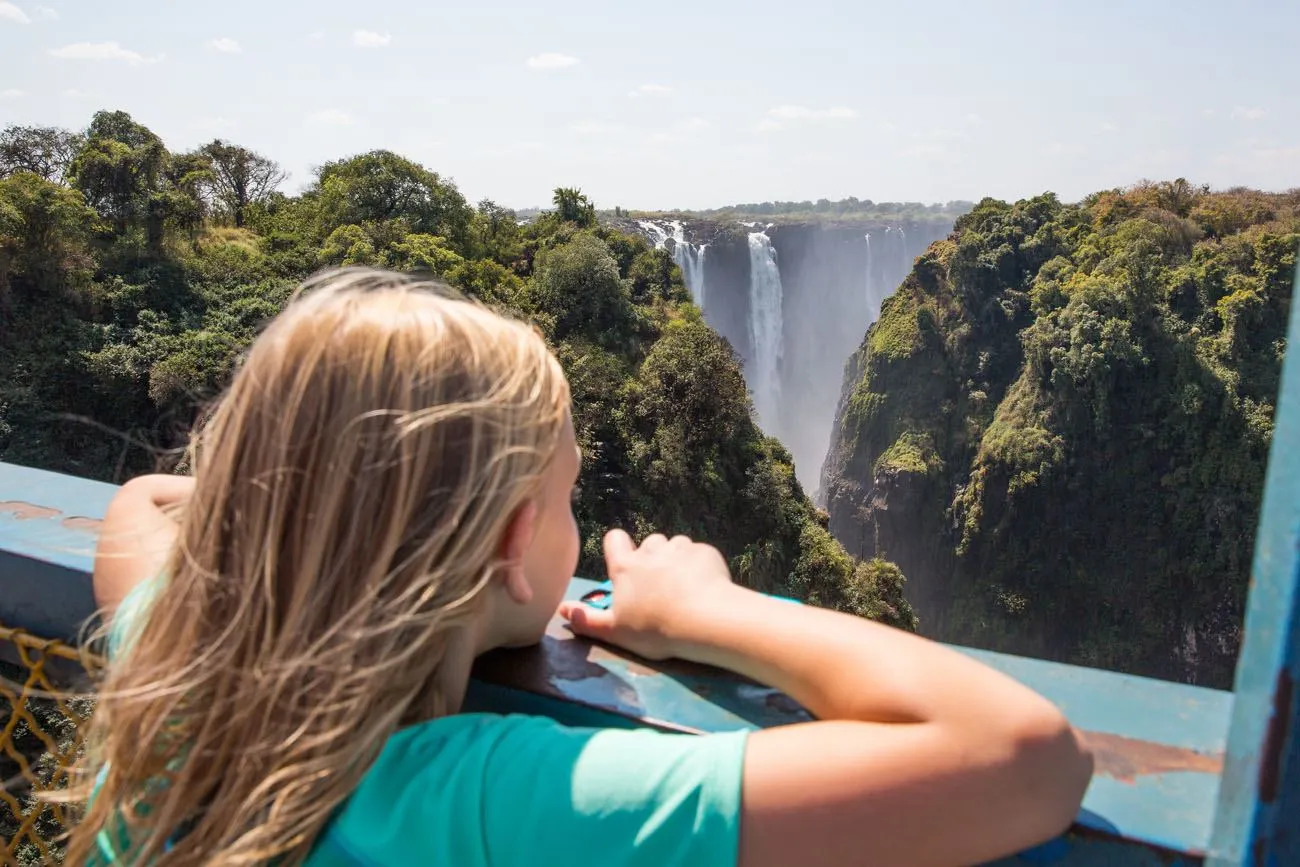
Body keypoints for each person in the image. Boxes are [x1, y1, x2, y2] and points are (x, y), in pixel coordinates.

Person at [75, 267, 1093, 867]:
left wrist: (317, 512)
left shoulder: (162, 665)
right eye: (565, 498)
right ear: (517, 549)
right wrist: (713, 610)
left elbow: (144, 505)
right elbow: (1023, 756)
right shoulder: (475, 801)